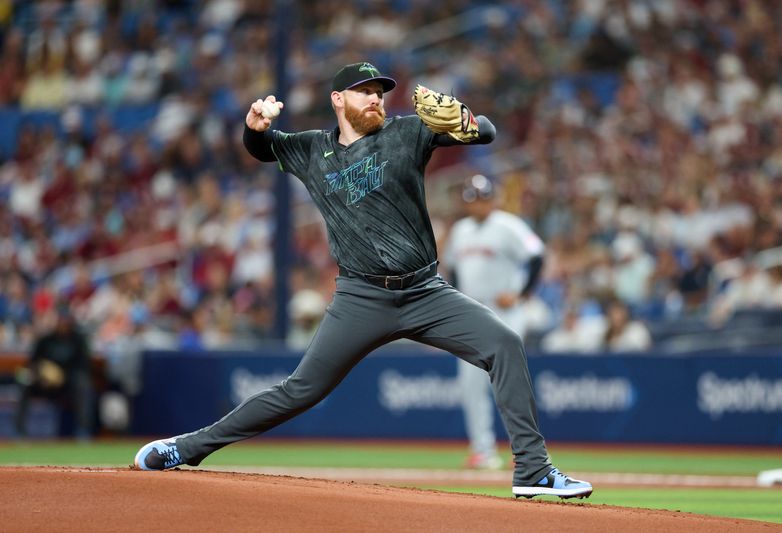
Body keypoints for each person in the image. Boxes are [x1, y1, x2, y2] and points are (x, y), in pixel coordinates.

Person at [134, 62, 592, 499]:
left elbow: (486, 133)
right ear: (338, 99)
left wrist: (466, 118)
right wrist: (254, 125)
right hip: (361, 296)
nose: (376, 100)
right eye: (366, 92)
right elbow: (261, 148)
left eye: (380, 93)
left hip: (425, 291)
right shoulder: (313, 149)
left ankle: (532, 471)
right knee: (299, 391)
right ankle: (186, 448)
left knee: (504, 343)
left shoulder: (407, 131)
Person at [444, 174, 545, 470]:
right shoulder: (460, 230)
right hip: (473, 314)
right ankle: (482, 450)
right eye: (473, 198)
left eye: (483, 197)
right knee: (470, 384)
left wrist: (521, 294)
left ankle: (527, 452)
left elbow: (537, 257)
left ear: (493, 199)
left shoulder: (508, 225)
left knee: (507, 381)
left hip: (505, 313)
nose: (478, 204)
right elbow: (452, 269)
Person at [15, 306, 94, 439]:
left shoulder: (78, 340)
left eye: (66, 322)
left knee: (83, 384)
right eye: (61, 321)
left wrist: (62, 375)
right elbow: (33, 363)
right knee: (25, 382)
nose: (63, 325)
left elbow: (84, 366)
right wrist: (42, 375)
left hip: (68, 383)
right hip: (44, 383)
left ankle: (83, 431)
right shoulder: (45, 340)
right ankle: (19, 431)